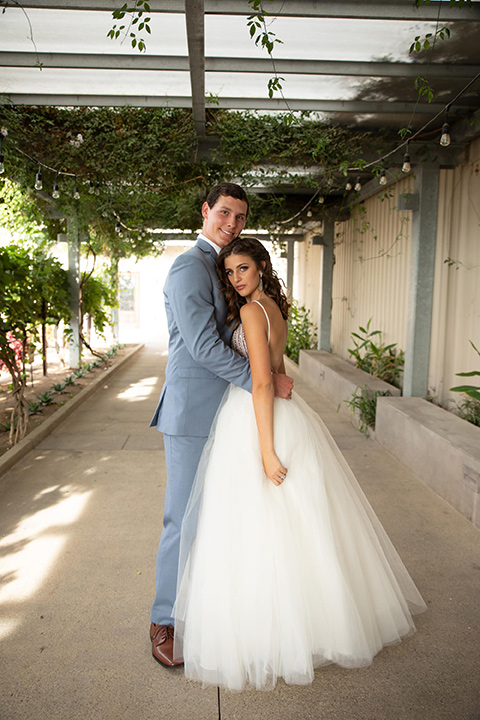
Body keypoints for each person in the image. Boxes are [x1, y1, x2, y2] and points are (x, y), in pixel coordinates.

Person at [174, 237, 427, 691]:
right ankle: (309, 625)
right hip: (287, 417)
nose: (235, 279)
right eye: (229, 272)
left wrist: (266, 450)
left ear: (261, 267)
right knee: (295, 524)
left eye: (243, 269)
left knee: (257, 527)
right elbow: (277, 367)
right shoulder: (273, 306)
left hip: (258, 421)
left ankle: (268, 638)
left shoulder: (251, 311)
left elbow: (262, 384)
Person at [149, 185, 293, 668]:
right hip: (193, 411)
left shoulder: (226, 267)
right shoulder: (190, 266)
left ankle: (207, 613)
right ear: (205, 211)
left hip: (230, 412)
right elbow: (202, 347)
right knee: (182, 519)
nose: (231, 223)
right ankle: (163, 620)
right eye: (224, 213)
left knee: (220, 518)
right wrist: (264, 382)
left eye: (240, 217)